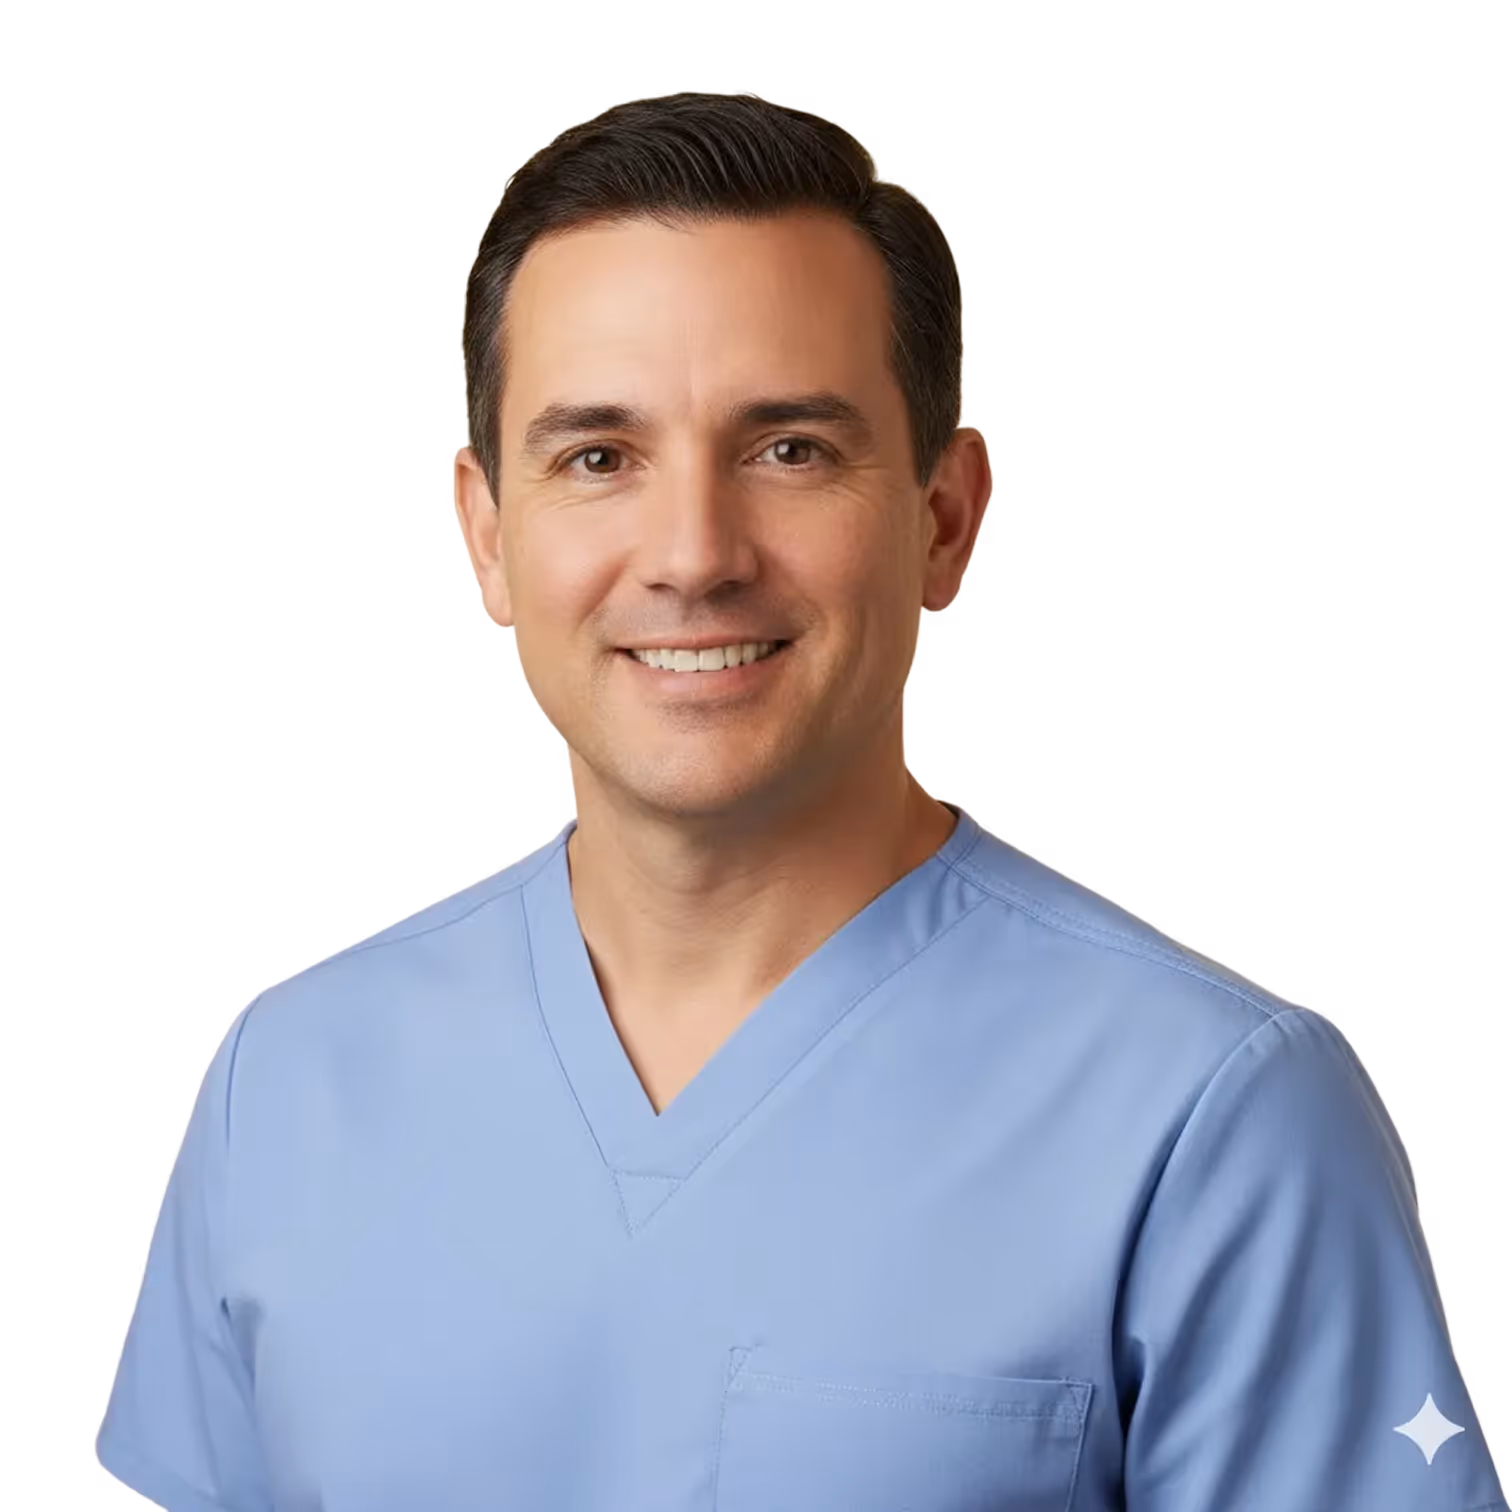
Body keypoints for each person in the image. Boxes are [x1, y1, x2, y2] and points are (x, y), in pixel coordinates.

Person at [94, 90, 1505, 1511]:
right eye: (598, 458)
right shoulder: (286, 1081)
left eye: (790, 450)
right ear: (488, 535)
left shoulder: (1218, 1113)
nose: (694, 554)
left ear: (945, 519)